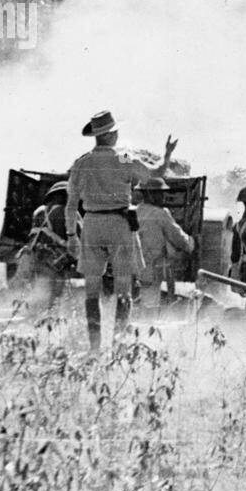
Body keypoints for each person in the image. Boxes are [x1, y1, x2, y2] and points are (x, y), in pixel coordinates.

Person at [65, 110, 177, 351]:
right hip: (120, 224)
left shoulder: (82, 162)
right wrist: (167, 155)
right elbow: (155, 173)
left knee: (91, 291)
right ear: (111, 135)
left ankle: (95, 348)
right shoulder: (124, 157)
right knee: (123, 288)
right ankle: (118, 345)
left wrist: (71, 235)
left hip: (92, 224)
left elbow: (71, 203)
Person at [133, 177, 194, 306]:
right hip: (151, 268)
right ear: (151, 194)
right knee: (150, 306)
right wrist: (191, 243)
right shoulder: (160, 214)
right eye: (160, 193)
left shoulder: (134, 212)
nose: (163, 197)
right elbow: (179, 238)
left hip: (132, 268)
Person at [11, 180, 73, 303]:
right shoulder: (67, 212)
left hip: (32, 255)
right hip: (53, 260)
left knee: (33, 290)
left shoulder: (39, 211)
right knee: (54, 296)